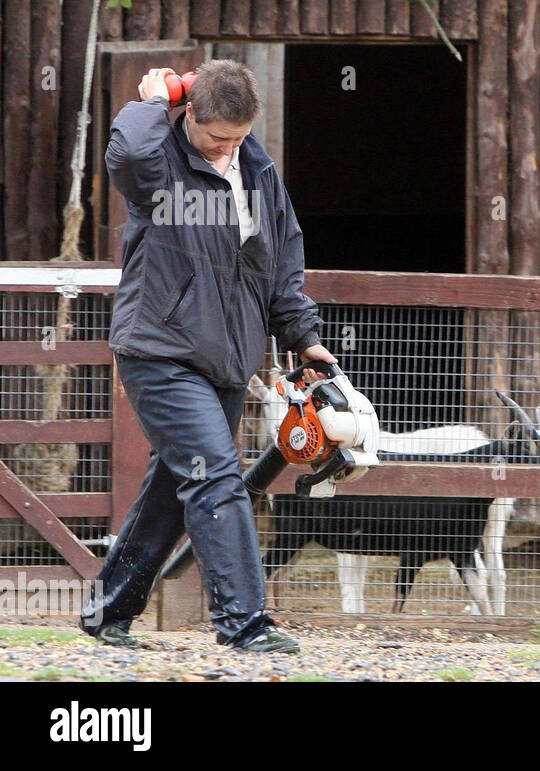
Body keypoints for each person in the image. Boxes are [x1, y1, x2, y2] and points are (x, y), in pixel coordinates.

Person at [79, 60, 335, 653]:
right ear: (189, 113)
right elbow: (125, 153)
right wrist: (154, 97)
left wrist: (303, 336)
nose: (227, 149)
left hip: (226, 360)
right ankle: (246, 623)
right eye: (217, 137)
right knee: (218, 476)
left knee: (178, 482)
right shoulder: (159, 166)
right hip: (160, 351)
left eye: (239, 138)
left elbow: (280, 264)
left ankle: (107, 608)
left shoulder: (259, 173)